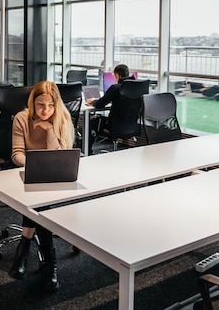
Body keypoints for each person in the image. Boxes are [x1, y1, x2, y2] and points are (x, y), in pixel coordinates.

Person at [9, 81, 74, 292]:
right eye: (40, 105)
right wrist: (35, 165)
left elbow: (59, 156)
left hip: (57, 178)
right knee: (40, 205)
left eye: (50, 105)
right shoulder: (21, 119)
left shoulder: (62, 120)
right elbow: (17, 153)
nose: (45, 110)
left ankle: (24, 247)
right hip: (29, 175)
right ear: (32, 103)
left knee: (39, 204)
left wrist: (48, 131)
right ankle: (50, 263)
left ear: (56, 105)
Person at [86, 63, 134, 155]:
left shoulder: (115, 88)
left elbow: (100, 104)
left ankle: (88, 151)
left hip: (114, 126)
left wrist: (93, 101)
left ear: (117, 75)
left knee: (93, 122)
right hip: (131, 125)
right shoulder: (136, 87)